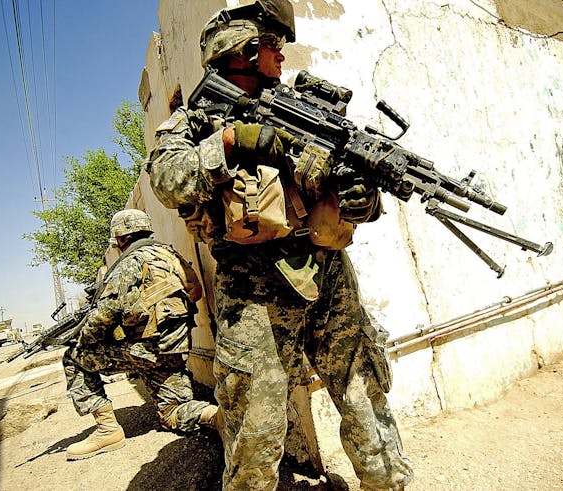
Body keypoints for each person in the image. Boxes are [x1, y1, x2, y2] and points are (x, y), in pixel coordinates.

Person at [146, 1, 413, 489]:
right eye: (273, 44)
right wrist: (230, 142)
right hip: (253, 290)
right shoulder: (191, 123)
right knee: (256, 421)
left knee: (363, 392)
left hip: (328, 272)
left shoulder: (304, 110)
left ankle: (387, 483)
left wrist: (360, 199)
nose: (283, 55)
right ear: (242, 52)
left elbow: (349, 193)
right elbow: (167, 180)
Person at [62, 209, 221, 461]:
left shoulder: (128, 264)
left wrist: (83, 338)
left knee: (73, 357)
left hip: (145, 351)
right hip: (174, 350)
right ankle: (220, 418)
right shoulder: (170, 255)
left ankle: (107, 431)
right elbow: (196, 291)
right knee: (172, 412)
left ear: (121, 238)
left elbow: (105, 314)